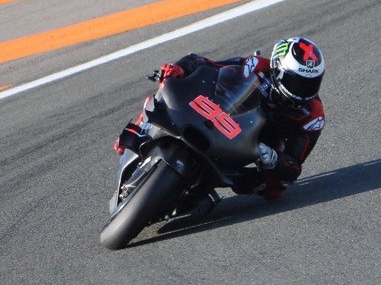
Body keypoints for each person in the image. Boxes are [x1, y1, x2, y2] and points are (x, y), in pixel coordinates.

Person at [114, 36, 326, 201]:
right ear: (278, 69)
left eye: (311, 84)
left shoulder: (312, 116)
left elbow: (294, 167)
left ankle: (211, 182)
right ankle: (136, 132)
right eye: (297, 82)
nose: (303, 91)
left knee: (275, 189)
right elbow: (203, 64)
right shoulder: (254, 65)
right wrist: (178, 68)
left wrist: (274, 159)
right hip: (220, 115)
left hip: (257, 143)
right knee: (166, 89)